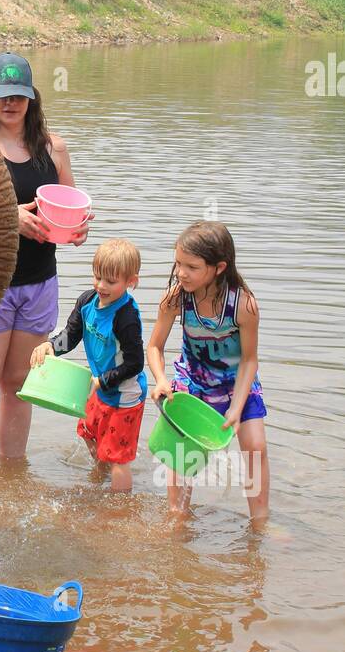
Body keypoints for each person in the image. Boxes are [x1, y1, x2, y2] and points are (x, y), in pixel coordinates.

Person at [0, 52, 90, 465]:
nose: (10, 103)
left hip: (39, 283)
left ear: (31, 98)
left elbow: (70, 206)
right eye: (2, 95)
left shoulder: (54, 148)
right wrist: (6, 215)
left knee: (19, 384)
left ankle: (13, 475)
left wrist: (79, 227)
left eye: (19, 96)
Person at [146, 221, 269, 524]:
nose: (181, 272)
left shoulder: (243, 304)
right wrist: (161, 380)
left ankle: (259, 522)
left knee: (255, 447)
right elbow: (155, 347)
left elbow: (250, 361)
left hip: (236, 383)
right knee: (180, 455)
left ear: (219, 267)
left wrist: (237, 409)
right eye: (178, 263)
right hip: (194, 382)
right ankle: (178, 518)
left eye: (191, 266)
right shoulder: (176, 299)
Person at [30, 239, 147, 493]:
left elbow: (136, 363)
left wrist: (103, 380)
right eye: (98, 277)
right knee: (87, 432)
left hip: (124, 394)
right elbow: (71, 334)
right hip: (99, 386)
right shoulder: (87, 302)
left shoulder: (126, 317)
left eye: (111, 281)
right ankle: (100, 473)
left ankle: (119, 509)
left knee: (118, 458)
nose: (101, 286)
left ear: (131, 282)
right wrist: (51, 345)